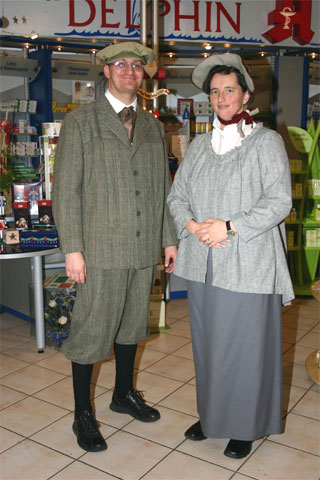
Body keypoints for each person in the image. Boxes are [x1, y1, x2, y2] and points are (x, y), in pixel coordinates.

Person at [52, 41, 178, 453]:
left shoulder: (153, 126)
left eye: (136, 65)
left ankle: (122, 394)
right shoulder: (82, 122)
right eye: (119, 64)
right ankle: (81, 414)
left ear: (144, 73)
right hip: (99, 250)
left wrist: (168, 238)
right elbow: (66, 191)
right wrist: (72, 248)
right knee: (91, 331)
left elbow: (162, 188)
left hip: (143, 249)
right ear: (105, 71)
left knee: (131, 327)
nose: (129, 70)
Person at [167, 53, 294, 459]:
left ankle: (245, 423)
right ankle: (213, 415)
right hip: (204, 262)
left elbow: (279, 201)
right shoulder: (201, 145)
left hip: (249, 262)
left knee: (246, 346)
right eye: (215, 91)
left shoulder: (266, 141)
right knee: (209, 344)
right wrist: (191, 227)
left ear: (245, 95)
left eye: (230, 90)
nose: (222, 98)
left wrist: (230, 226)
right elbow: (177, 196)